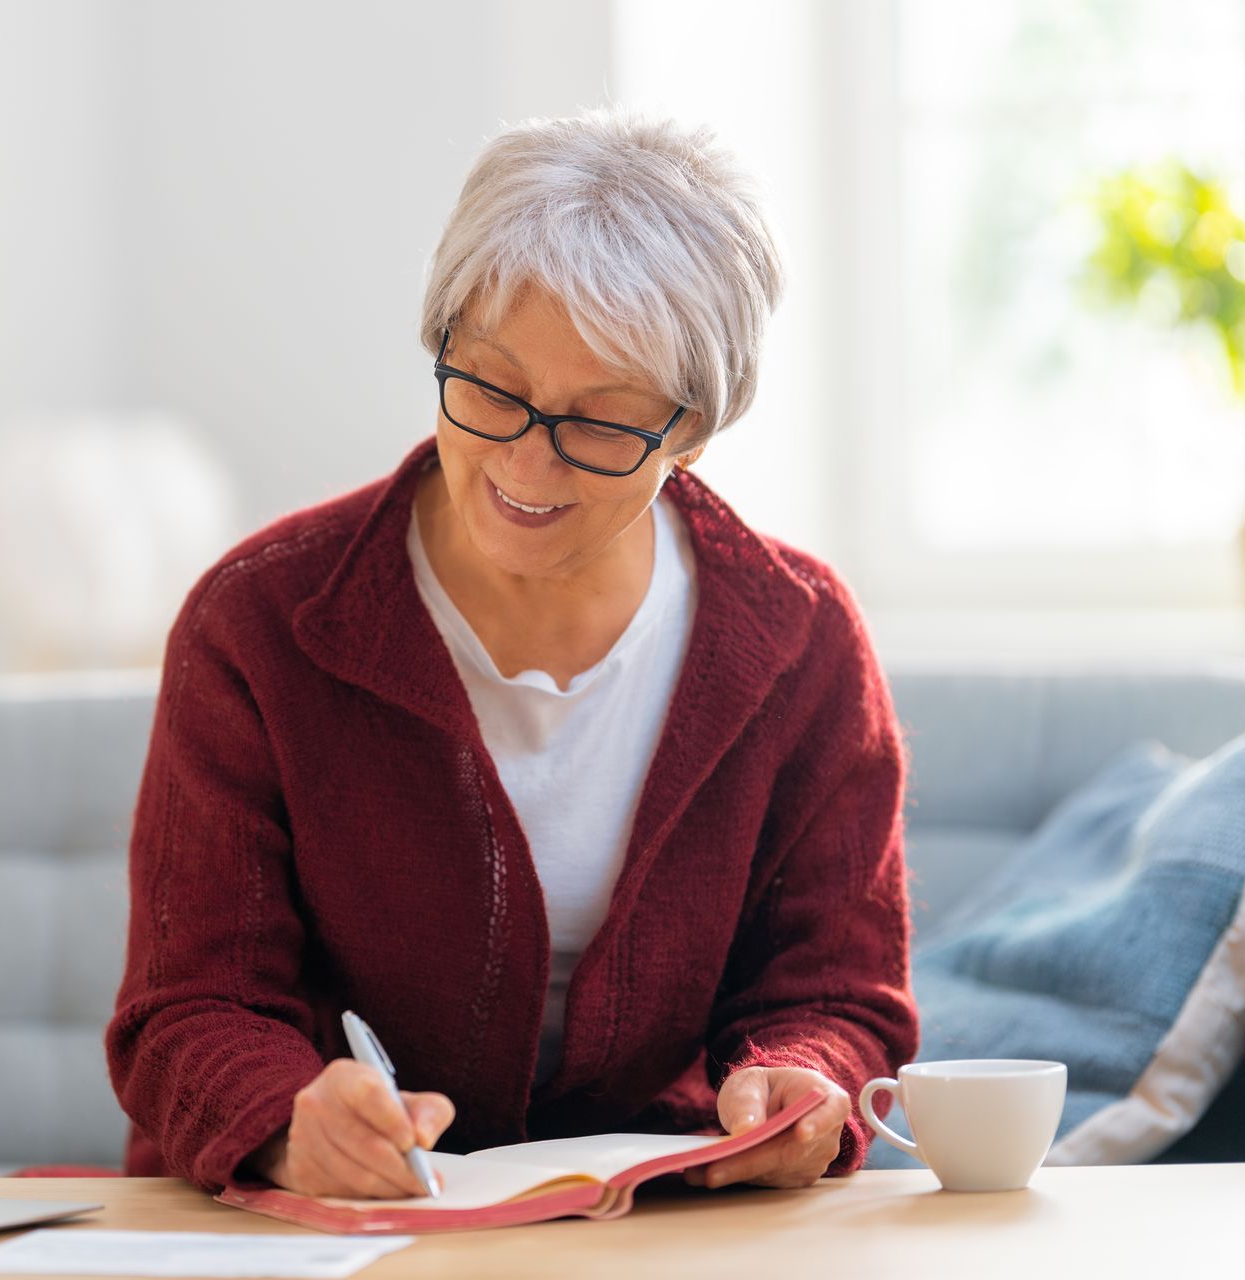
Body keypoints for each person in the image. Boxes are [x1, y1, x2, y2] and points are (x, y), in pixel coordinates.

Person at [106, 107, 917, 1199]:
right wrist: (290, 1122)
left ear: (692, 430)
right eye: (489, 387)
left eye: (600, 421)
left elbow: (843, 992)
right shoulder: (258, 623)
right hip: (318, 1226)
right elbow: (186, 1005)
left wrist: (799, 1084)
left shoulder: (800, 639)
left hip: (662, 1229)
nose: (525, 462)